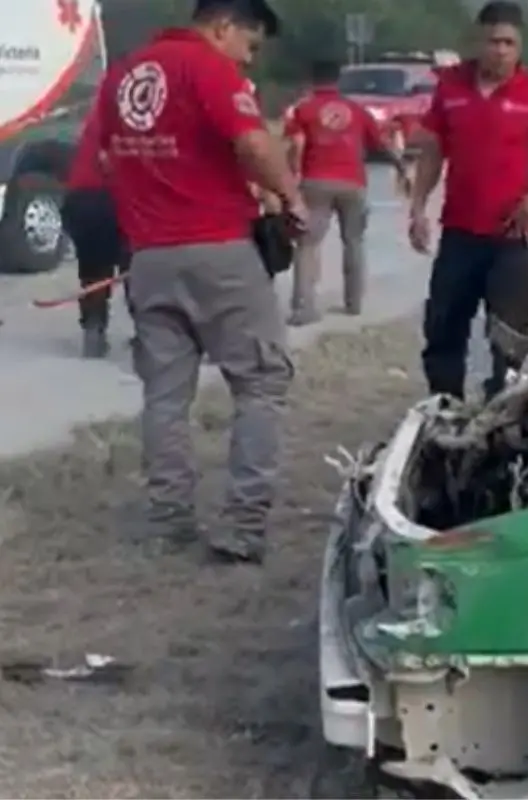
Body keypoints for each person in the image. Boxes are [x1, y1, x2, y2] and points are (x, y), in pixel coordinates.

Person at [95, 0, 307, 564]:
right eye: (250, 45)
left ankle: (169, 519)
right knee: (261, 382)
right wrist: (290, 196)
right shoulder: (209, 69)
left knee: (165, 395)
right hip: (217, 250)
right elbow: (255, 144)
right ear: (223, 27)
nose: (250, 58)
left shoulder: (123, 74)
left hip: (149, 257)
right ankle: (243, 524)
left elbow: (106, 160)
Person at [408, 0, 528, 400]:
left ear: (519, 46)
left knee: (509, 339)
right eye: (493, 41)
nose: (500, 50)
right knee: (442, 330)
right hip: (459, 235)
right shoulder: (450, 86)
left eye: (509, 43)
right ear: (478, 41)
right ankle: (445, 409)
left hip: (510, 240)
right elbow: (434, 151)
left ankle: (500, 415)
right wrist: (418, 207)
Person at [283, 57, 408, 325]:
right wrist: (401, 167)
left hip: (315, 181)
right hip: (353, 182)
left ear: (311, 80)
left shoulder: (303, 110)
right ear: (338, 80)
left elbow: (296, 145)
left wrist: (292, 178)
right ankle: (353, 303)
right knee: (354, 242)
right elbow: (382, 144)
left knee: (307, 244)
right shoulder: (357, 110)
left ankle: (304, 307)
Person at [61, 100, 130, 359]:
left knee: (93, 270)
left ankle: (93, 328)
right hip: (117, 198)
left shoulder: (99, 114)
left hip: (81, 197)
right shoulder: (136, 116)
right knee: (134, 267)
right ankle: (148, 334)